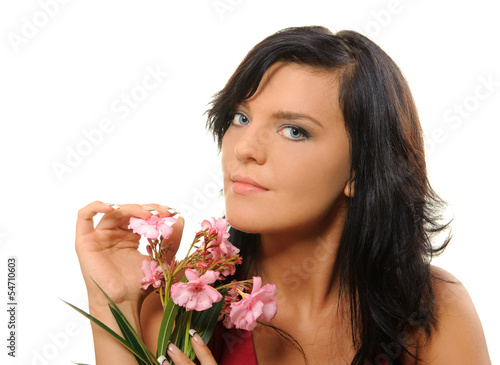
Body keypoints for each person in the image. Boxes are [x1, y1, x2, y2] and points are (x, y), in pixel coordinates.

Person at [75, 26, 491, 364]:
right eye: (240, 118)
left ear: (361, 170)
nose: (244, 148)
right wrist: (112, 305)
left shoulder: (434, 310)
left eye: (294, 130)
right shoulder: (181, 303)